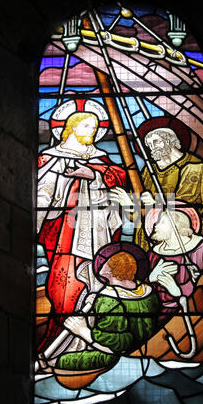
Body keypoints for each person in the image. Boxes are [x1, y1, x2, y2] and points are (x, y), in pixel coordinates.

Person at [37, 108, 126, 353]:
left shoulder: (99, 157)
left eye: (96, 127)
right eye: (88, 126)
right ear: (72, 127)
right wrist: (66, 180)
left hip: (99, 232)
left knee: (97, 282)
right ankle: (60, 342)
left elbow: (119, 177)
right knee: (62, 287)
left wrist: (92, 174)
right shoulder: (50, 157)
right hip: (65, 235)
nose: (93, 131)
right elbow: (41, 192)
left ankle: (92, 340)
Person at [56, 246, 161, 372]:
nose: (101, 262)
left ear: (110, 271)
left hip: (115, 357)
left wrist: (82, 330)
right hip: (148, 348)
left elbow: (114, 348)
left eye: (106, 261)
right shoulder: (148, 292)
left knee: (62, 360)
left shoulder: (109, 300)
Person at [110, 124, 203, 251]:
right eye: (149, 145)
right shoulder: (149, 170)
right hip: (147, 237)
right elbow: (140, 214)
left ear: (171, 140)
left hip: (179, 240)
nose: (152, 147)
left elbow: (187, 211)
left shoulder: (195, 167)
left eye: (156, 142)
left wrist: (155, 204)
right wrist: (129, 205)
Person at [146, 206, 203, 324]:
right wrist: (150, 278)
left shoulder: (199, 250)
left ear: (175, 226)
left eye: (161, 222)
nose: (155, 225)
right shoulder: (154, 254)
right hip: (157, 313)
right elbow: (138, 287)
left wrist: (178, 291)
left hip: (190, 313)